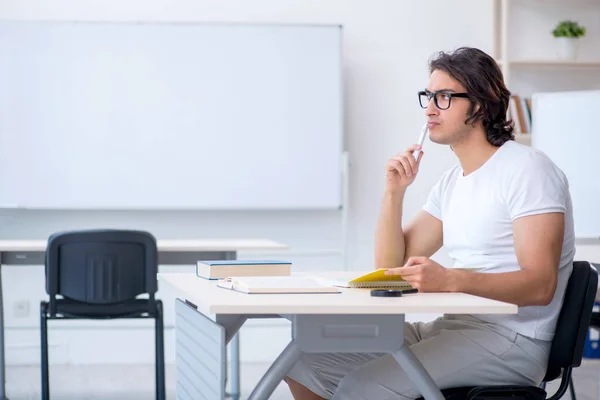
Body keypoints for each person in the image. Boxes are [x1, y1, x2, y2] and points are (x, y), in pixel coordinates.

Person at [284, 47, 575, 400]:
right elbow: (390, 268)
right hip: (454, 327)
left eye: (444, 96)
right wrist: (394, 193)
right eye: (428, 95)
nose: (430, 108)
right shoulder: (454, 181)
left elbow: (540, 285)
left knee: (362, 387)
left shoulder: (528, 170)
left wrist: (450, 280)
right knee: (306, 363)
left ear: (480, 104)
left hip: (513, 339)